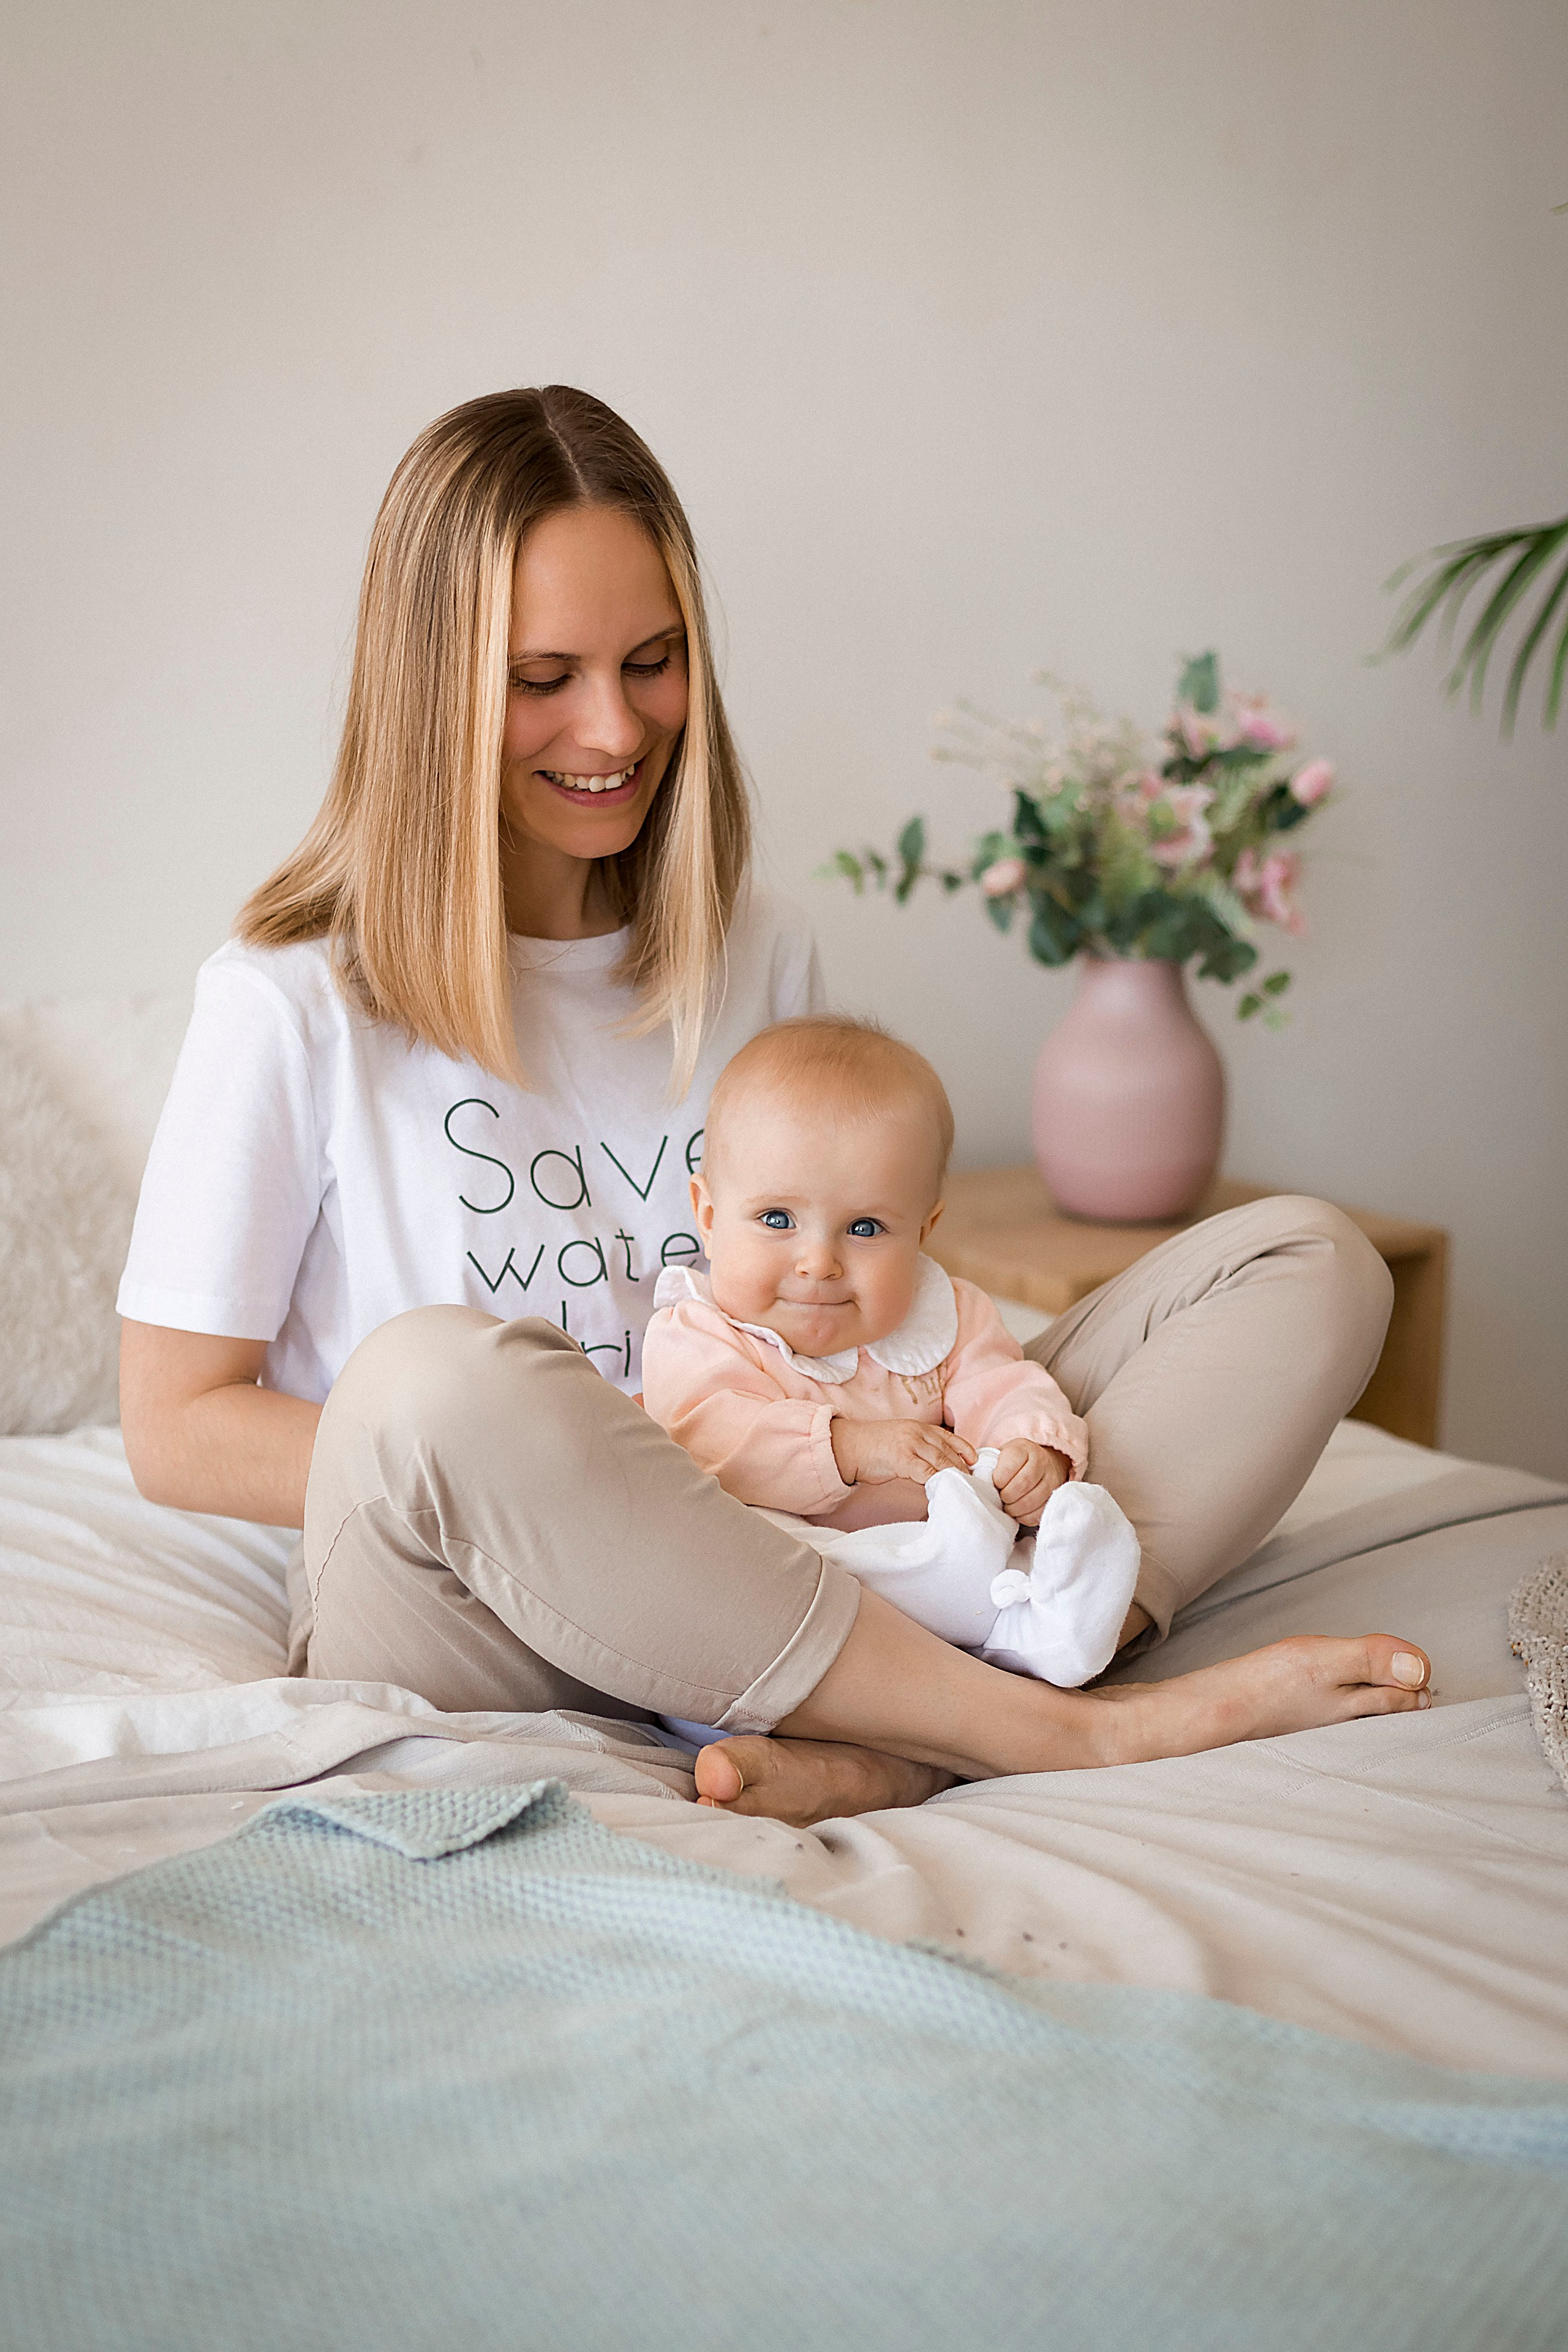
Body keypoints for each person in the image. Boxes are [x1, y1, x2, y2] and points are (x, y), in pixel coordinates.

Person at [118, 384, 1431, 1831]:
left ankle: (903, 1735)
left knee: (1307, 1259)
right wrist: (611, 1484)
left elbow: (855, 1272)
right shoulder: (290, 999)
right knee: (438, 1377)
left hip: (816, 1530)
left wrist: (981, 1424)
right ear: (435, 688)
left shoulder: (760, 950)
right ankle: (1058, 1731)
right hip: (483, 1605)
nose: (612, 727)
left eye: (652, 660)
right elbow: (173, 1425)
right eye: (542, 675)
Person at [640, 1014, 1142, 1696]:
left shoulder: (946, 1318)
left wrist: (1032, 1450)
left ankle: (1040, 1635)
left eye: (866, 1228)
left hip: (941, 1583)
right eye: (777, 1220)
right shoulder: (697, 1331)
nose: (818, 1263)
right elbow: (708, 1440)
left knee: (1000, 1549)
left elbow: (1006, 1384)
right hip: (788, 1596)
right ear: (706, 1214)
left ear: (924, 1231)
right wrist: (850, 1447)